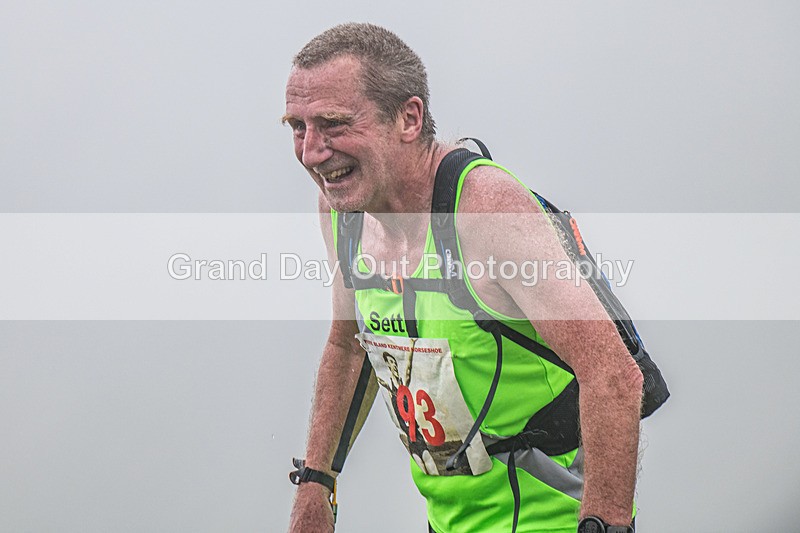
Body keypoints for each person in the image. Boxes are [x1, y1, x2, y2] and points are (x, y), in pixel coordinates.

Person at [284, 23, 643, 533]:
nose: (311, 152)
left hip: (555, 521)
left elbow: (613, 375)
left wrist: (605, 525)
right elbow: (348, 346)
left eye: (334, 124)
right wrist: (316, 486)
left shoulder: (486, 211)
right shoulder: (345, 210)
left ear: (409, 118)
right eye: (297, 127)